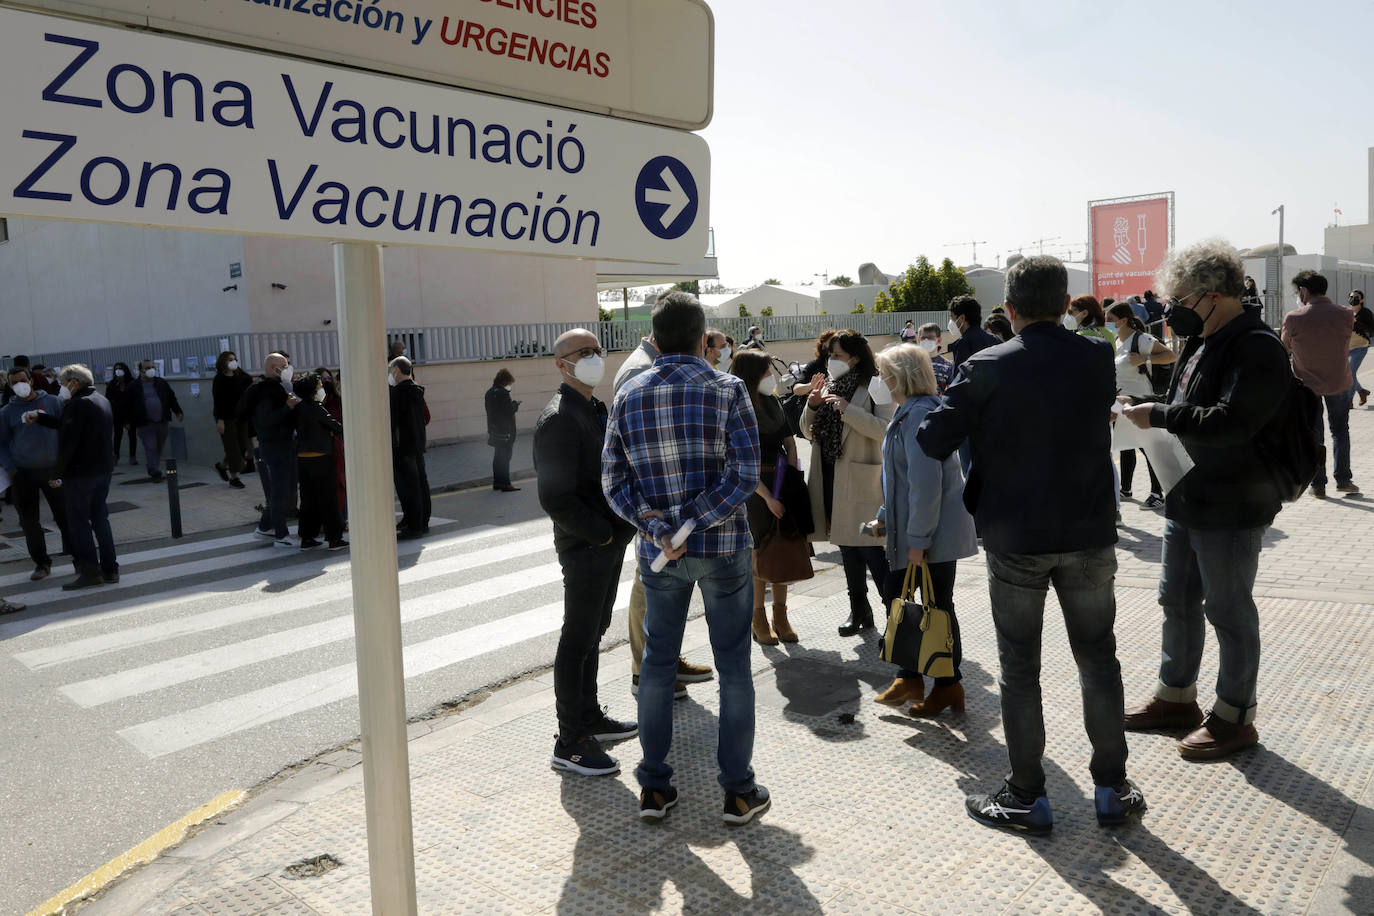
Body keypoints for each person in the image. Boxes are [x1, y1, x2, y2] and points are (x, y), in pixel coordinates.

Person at [918, 255, 1143, 835]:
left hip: (1016, 536)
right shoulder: (1095, 355)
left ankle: (1027, 795)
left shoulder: (988, 364)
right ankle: (1112, 788)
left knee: (1021, 669)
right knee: (1098, 659)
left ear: (1010, 310)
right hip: (1089, 530)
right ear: (1066, 304)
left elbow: (933, 439)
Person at [1119, 238, 1291, 761]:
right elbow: (1182, 403)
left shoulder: (1256, 346)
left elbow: (1233, 421)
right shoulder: (1202, 340)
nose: (1173, 311)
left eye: (1182, 300)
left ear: (1214, 294)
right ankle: (1176, 698)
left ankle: (1235, 716)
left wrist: (1160, 416)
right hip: (1187, 493)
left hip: (1233, 503)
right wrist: (1144, 407)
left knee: (1228, 610)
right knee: (1176, 600)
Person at [603, 290, 769, 826]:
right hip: (722, 550)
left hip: (661, 556)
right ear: (703, 339)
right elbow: (745, 475)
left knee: (655, 667)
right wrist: (692, 520)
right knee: (734, 669)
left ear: (653, 338)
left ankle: (654, 788)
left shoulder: (629, 392)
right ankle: (739, 792)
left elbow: (613, 481)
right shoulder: (728, 388)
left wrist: (657, 526)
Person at [535, 329, 638, 776]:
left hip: (608, 540)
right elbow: (556, 498)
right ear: (562, 364)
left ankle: (590, 716)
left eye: (598, 350)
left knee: (595, 629)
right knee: (577, 637)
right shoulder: (559, 417)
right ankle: (570, 739)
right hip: (586, 544)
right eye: (584, 352)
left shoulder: (593, 408)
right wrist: (600, 535)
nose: (596, 357)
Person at [866, 344, 976, 716]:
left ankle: (944, 684)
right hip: (921, 531)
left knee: (931, 607)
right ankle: (914, 678)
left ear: (900, 375)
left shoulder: (918, 414)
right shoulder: (909, 412)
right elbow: (902, 480)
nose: (879, 381)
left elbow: (925, 485)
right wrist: (885, 515)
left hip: (929, 535)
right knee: (915, 603)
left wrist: (917, 541)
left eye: (883, 373)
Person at [611, 327, 713, 700]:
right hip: (655, 513)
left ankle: (666, 661)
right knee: (648, 588)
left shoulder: (654, 365)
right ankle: (645, 671)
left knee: (664, 591)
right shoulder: (640, 371)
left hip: (667, 510)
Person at [800, 329, 892, 636]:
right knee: (847, 549)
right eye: (829, 354)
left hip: (862, 480)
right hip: (830, 476)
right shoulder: (829, 383)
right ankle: (859, 611)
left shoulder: (876, 385)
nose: (831, 360)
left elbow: (887, 429)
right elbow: (807, 430)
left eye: (837, 355)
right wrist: (813, 405)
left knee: (870, 549)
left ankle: (896, 615)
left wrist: (847, 410)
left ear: (854, 357)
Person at [730, 349, 811, 645]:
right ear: (751, 375)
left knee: (784, 543)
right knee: (760, 549)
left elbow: (789, 441)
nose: (771, 378)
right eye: (765, 373)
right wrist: (767, 496)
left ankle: (781, 615)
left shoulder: (773, 403)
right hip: (754, 488)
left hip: (780, 480)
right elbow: (739, 460)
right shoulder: (737, 407)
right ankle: (758, 617)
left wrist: (789, 477)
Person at [27, 364, 119, 590]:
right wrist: (42, 417)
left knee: (78, 523)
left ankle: (90, 572)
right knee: (100, 519)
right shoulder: (100, 399)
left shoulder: (78, 404)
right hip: (102, 471)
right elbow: (71, 428)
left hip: (81, 474)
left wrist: (56, 474)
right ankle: (110, 570)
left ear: (74, 383)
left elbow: (69, 442)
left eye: (62, 382)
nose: (60, 387)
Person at [1282, 270, 1359, 498]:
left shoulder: (1294, 317)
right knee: (1340, 431)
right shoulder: (1346, 314)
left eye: (1297, 292)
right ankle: (1344, 480)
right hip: (1339, 382)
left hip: (1307, 387)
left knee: (1315, 436)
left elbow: (1283, 346)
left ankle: (1318, 485)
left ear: (1304, 291)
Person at [0, 366, 72, 580]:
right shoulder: (6, 413)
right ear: (10, 386)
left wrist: (65, 462)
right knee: (29, 522)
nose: (19, 385)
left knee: (65, 515)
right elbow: (2, 444)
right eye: (14, 382)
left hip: (53, 469)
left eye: (23, 380)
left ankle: (79, 556)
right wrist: (11, 468)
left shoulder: (52, 402)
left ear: (31, 381)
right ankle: (41, 563)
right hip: (23, 472)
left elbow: (66, 430)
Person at [1105, 302, 1177, 509]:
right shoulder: (1116, 340)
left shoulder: (1141, 339)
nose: (1107, 323)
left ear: (1123, 319)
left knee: (1147, 447)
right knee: (1125, 446)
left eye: (1110, 319)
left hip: (1142, 399)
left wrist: (1144, 359)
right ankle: (1126, 488)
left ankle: (1157, 492)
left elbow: (1171, 355)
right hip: (1122, 400)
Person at [239, 353, 301, 547]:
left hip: (286, 443)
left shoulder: (280, 387)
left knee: (286, 489)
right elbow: (267, 421)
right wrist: (288, 407)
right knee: (279, 491)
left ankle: (265, 527)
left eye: (288, 364)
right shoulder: (264, 391)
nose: (288, 368)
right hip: (274, 445)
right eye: (284, 365)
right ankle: (281, 535)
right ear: (273, 368)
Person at [291, 372, 347, 551]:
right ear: (313, 389)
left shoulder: (298, 408)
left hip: (303, 459)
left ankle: (307, 537)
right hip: (322, 458)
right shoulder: (317, 408)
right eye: (319, 385)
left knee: (308, 500)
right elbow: (337, 427)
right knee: (328, 499)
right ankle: (334, 538)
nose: (322, 388)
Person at [389, 356, 431, 539]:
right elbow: (425, 418)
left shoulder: (396, 394)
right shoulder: (417, 390)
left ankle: (414, 527)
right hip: (417, 445)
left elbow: (392, 422)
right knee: (421, 484)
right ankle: (421, 522)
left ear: (397, 371)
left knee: (408, 488)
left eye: (390, 371)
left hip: (402, 447)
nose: (390, 375)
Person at [130, 359, 183, 480]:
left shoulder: (161, 383)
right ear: (141, 370)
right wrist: (128, 421)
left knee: (159, 445)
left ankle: (154, 466)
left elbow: (171, 398)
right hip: (144, 422)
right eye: (147, 368)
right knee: (150, 446)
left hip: (161, 420)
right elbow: (128, 404)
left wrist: (178, 411)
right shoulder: (134, 386)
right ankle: (154, 470)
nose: (151, 370)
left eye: (152, 367)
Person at [212, 351, 252, 489]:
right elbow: (218, 401)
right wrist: (220, 420)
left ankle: (222, 466)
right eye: (230, 359)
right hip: (226, 418)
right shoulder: (219, 379)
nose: (233, 361)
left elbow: (249, 381)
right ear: (223, 362)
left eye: (235, 359)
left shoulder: (239, 376)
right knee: (232, 447)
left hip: (241, 416)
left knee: (241, 446)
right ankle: (234, 478)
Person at [315, 367, 347, 517]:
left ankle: (343, 517)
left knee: (341, 483)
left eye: (329, 378)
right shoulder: (316, 404)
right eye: (323, 379)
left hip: (338, 446)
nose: (327, 381)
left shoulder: (337, 399)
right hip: (323, 449)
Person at [484, 368, 520, 492]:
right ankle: (506, 483)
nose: (509, 385)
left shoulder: (489, 392)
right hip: (505, 430)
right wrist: (515, 405)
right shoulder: (503, 393)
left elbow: (492, 411)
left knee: (498, 456)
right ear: (504, 381)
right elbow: (508, 411)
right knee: (505, 457)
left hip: (494, 429)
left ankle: (497, 482)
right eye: (509, 383)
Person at [947, 295, 999, 369]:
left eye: (952, 317)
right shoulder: (994, 338)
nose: (951, 321)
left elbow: (960, 377)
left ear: (962, 318)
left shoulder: (963, 343)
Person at [106, 361, 137, 466]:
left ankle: (132, 456)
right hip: (117, 413)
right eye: (116, 369)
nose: (118, 371)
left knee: (132, 435)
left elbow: (134, 399)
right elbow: (108, 398)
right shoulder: (112, 383)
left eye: (120, 369)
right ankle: (116, 455)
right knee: (117, 435)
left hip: (130, 413)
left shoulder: (131, 382)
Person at [791, 329, 838, 396]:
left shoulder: (847, 365)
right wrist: (812, 385)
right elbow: (796, 389)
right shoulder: (815, 365)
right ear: (823, 347)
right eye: (831, 344)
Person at [916, 323, 954, 394]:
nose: (926, 340)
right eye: (923, 338)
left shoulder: (948, 366)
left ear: (939, 340)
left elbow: (953, 392)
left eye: (930, 338)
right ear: (919, 340)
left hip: (938, 404)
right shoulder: (910, 363)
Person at [1351, 290, 1373, 407]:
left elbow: (1372, 330)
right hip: (1347, 347)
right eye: (1351, 296)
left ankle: (1349, 400)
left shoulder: (1365, 313)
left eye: (1356, 297)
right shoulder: (1347, 312)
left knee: (1349, 373)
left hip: (1360, 346)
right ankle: (1361, 391)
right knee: (1349, 374)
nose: (1352, 298)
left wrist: (1357, 323)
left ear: (1362, 300)